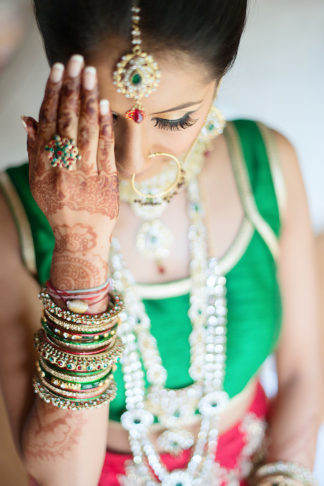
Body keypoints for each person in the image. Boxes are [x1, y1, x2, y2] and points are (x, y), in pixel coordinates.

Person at [0, 1, 322, 485]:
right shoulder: (12, 215)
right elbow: (64, 477)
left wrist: (284, 476)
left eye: (174, 121)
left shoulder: (267, 166)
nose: (133, 162)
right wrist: (78, 248)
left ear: (217, 85)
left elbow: (303, 373)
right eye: (105, 120)